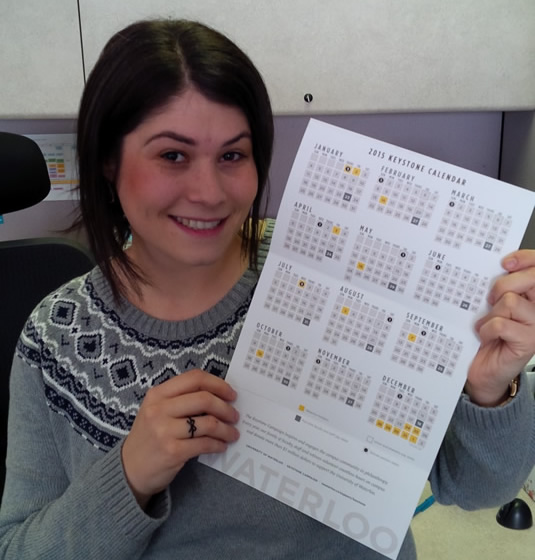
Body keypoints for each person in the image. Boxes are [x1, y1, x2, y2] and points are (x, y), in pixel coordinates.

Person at [1, 18, 534, 560]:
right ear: (109, 161)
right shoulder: (55, 338)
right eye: (172, 155)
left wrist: (490, 388)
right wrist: (131, 474)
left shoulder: (337, 276)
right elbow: (19, 548)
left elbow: (474, 489)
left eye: (232, 155)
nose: (208, 192)